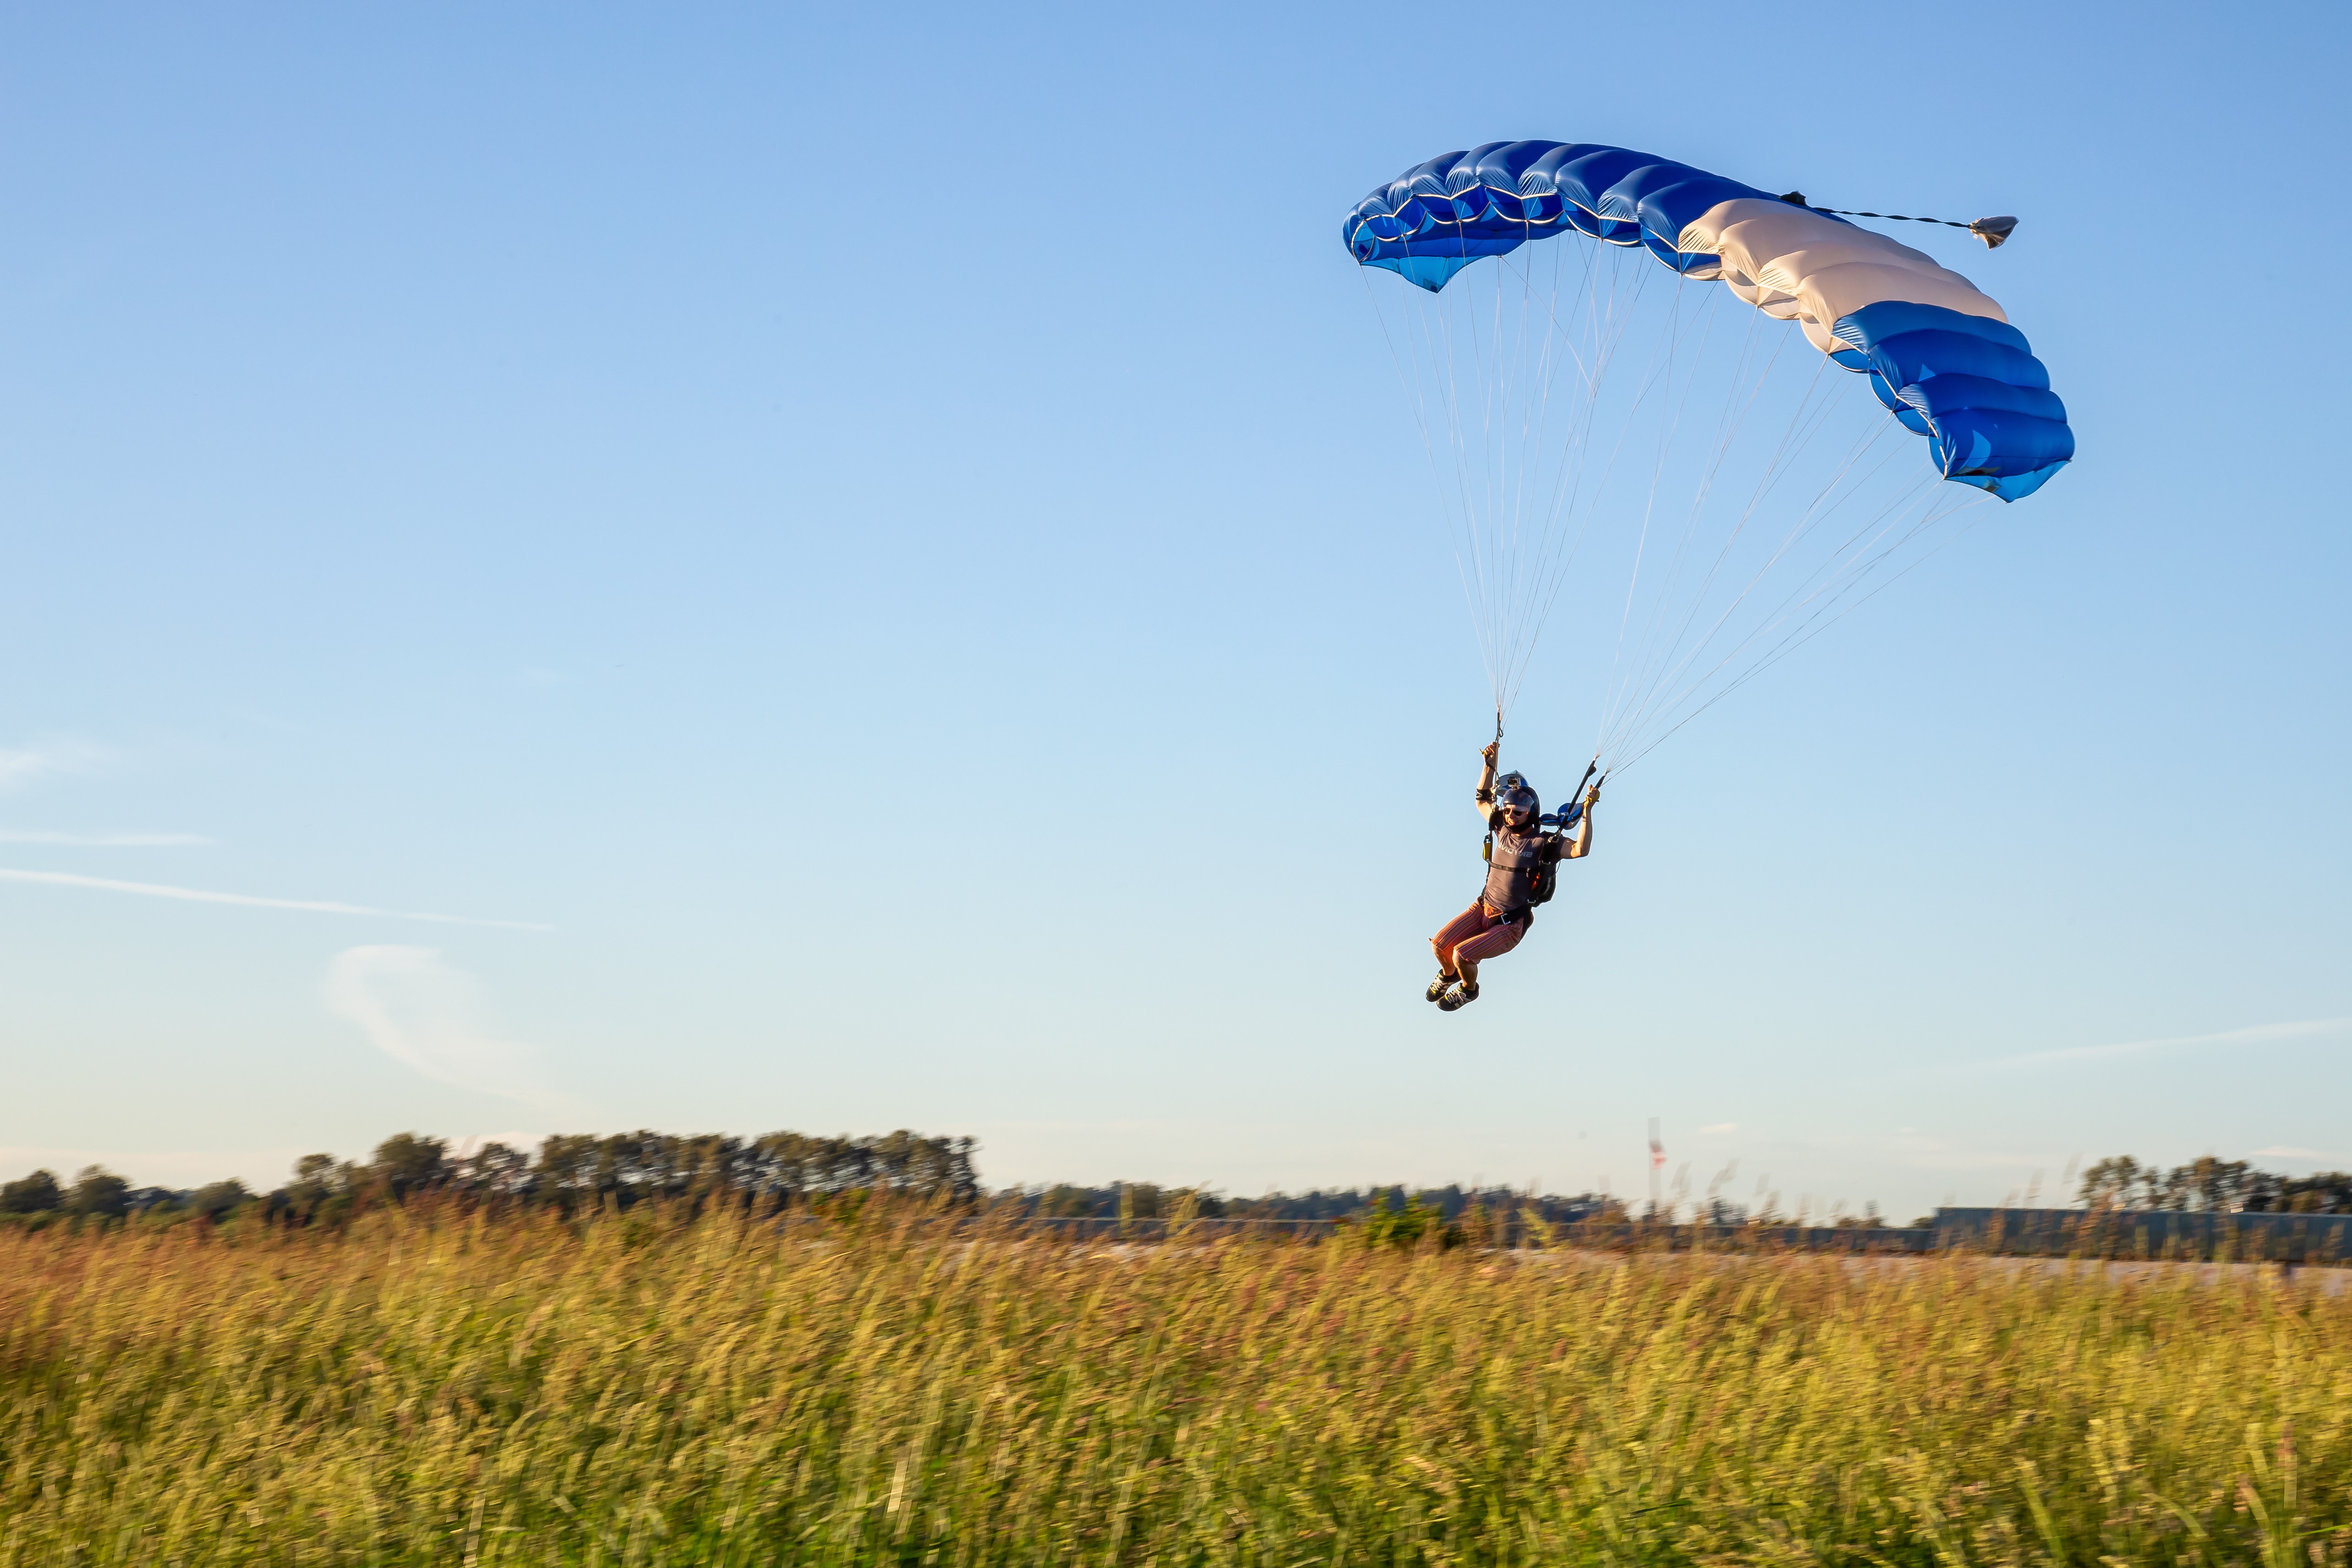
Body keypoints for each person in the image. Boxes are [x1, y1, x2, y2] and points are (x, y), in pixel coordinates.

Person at [1427, 740, 1598, 1012]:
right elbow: (1482, 800)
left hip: (1509, 925)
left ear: (1530, 813)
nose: (1510, 816)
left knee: (1462, 955)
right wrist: (1488, 766)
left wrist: (1587, 813)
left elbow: (1580, 850)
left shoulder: (1544, 843)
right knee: (1439, 945)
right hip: (1482, 908)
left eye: (1517, 812)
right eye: (1507, 810)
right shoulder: (1501, 828)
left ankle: (1469, 990)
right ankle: (1448, 975)